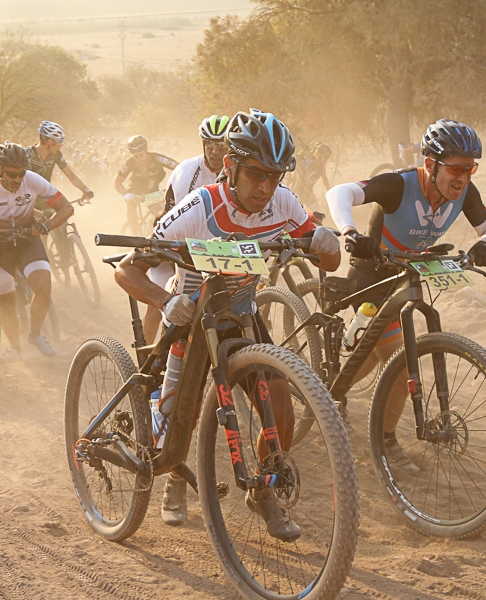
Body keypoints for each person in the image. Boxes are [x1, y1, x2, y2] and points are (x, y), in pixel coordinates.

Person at [115, 109, 340, 539]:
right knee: (175, 428)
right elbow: (127, 270)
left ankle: (263, 489)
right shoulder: (199, 207)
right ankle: (175, 480)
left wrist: (326, 246)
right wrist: (165, 301)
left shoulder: (284, 202)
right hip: (192, 318)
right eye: (255, 174)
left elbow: (328, 260)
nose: (265, 187)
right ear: (230, 166)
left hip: (242, 316)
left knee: (280, 409)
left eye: (275, 176)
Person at [326, 118, 486, 473]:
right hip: (371, 275)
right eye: (455, 168)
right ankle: (385, 442)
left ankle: (329, 393)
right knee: (400, 362)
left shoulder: (465, 193)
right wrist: (349, 232)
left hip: (405, 275)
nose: (462, 178)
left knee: (377, 353)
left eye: (470, 168)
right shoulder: (399, 184)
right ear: (429, 164)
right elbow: (339, 193)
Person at [0, 142, 73, 359]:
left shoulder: (33, 180)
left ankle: (35, 334)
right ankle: (15, 347)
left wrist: (47, 226)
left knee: (44, 288)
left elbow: (66, 208)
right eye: (12, 174)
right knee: (7, 300)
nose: (18, 179)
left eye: (22, 173)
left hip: (26, 240)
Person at [140, 115, 230, 343]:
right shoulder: (187, 172)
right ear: (203, 143)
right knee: (160, 302)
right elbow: (179, 226)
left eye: (221, 145)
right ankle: (145, 358)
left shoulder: (234, 171)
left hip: (210, 247)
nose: (215, 152)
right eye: (210, 145)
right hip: (172, 244)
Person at [113, 135, 178, 234]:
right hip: (135, 188)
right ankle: (135, 234)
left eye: (141, 155)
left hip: (152, 191)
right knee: (131, 203)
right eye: (135, 156)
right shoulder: (130, 163)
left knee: (162, 213)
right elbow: (117, 181)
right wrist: (125, 194)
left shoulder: (158, 159)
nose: (139, 159)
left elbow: (180, 167)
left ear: (146, 150)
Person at [26, 121, 94, 200]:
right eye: (59, 142)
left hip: (44, 196)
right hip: (26, 197)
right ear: (50, 142)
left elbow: (71, 175)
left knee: (66, 207)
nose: (61, 145)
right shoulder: (26, 154)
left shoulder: (56, 155)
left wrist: (85, 189)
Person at [293, 142, 332, 210]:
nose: (326, 160)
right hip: (297, 191)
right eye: (325, 157)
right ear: (319, 155)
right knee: (297, 212)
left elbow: (325, 180)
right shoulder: (308, 162)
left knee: (317, 211)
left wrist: (330, 191)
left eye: (328, 157)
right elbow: (294, 173)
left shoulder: (321, 168)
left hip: (309, 192)